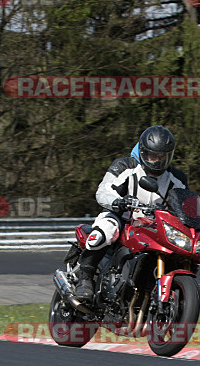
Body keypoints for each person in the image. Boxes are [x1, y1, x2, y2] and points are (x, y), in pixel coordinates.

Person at [74, 125, 188, 301]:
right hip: (121, 217)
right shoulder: (125, 166)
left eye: (163, 157)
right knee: (104, 233)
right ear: (143, 152)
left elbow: (186, 204)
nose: (158, 161)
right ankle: (85, 278)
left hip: (153, 226)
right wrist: (119, 201)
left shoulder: (177, 179)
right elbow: (103, 191)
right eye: (153, 156)